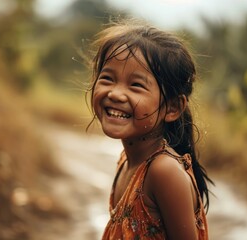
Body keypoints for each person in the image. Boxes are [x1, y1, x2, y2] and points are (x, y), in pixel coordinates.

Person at [87, 20, 213, 240]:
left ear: (172, 107)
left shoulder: (164, 171)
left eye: (136, 85)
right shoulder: (127, 160)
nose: (115, 94)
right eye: (107, 78)